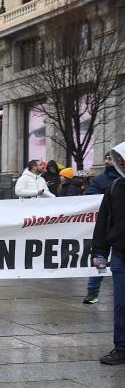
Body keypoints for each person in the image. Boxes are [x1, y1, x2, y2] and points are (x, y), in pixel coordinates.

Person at [90, 141, 125, 365]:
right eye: (119, 159)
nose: (121, 163)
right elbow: (103, 223)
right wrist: (99, 252)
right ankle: (121, 347)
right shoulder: (115, 187)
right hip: (121, 255)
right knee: (121, 304)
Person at [84, 153, 122, 304]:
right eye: (107, 158)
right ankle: (93, 291)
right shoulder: (102, 180)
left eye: (111, 158)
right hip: (109, 229)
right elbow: (90, 195)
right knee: (100, 261)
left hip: (118, 232)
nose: (108, 161)